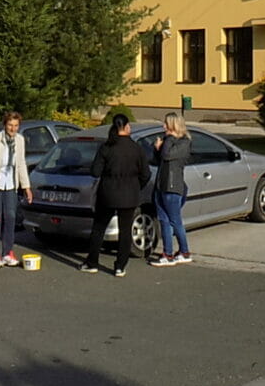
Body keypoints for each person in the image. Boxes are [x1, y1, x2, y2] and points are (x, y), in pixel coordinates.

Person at [81, 113, 150, 277]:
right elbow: (146, 174)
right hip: (130, 194)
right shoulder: (136, 148)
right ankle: (120, 266)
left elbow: (95, 171)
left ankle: (92, 262)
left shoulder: (106, 147)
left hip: (108, 194)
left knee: (98, 229)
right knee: (125, 231)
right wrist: (136, 186)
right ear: (127, 127)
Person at [0, 111, 33, 268]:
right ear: (4, 125)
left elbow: (21, 164)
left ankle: (8, 252)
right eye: (10, 125)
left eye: (16, 126)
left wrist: (26, 187)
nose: (13, 128)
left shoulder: (20, 140)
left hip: (11, 184)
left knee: (10, 217)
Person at [150, 112, 193, 266]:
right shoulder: (169, 142)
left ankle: (184, 251)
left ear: (173, 125)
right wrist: (156, 149)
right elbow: (159, 159)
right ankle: (167, 253)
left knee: (175, 221)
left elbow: (167, 155)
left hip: (173, 187)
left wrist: (167, 140)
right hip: (161, 185)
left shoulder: (184, 143)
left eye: (166, 124)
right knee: (164, 221)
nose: (163, 127)